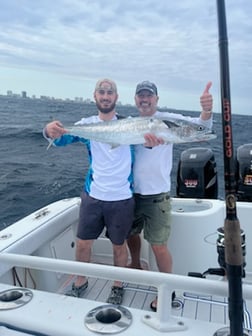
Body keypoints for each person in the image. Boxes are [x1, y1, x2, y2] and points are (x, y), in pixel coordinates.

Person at [43, 78, 135, 305]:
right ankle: (80, 280)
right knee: (83, 243)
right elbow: (63, 138)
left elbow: (152, 141)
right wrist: (48, 131)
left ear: (116, 97)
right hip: (93, 195)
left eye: (110, 92)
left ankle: (118, 284)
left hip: (122, 197)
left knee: (118, 245)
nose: (105, 96)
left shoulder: (131, 124)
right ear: (95, 96)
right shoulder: (87, 124)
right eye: (101, 92)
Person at [128, 80, 213, 311]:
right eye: (141, 96)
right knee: (130, 234)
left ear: (156, 99)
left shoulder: (169, 119)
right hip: (129, 193)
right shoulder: (129, 123)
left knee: (158, 245)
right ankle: (135, 265)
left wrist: (206, 111)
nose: (145, 99)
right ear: (135, 99)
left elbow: (200, 127)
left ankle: (168, 289)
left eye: (149, 96)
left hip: (157, 196)